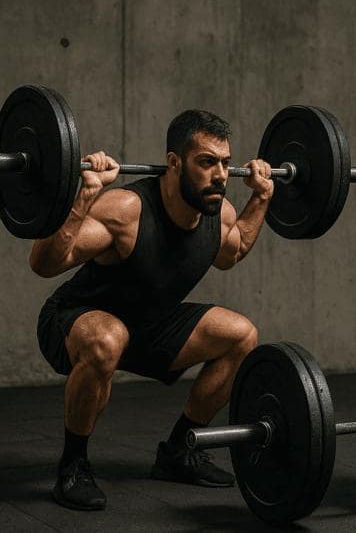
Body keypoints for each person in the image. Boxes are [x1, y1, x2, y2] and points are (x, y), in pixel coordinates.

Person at [31, 110, 271, 511]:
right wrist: (86, 193)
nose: (221, 176)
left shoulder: (219, 212)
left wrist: (261, 197)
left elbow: (235, 250)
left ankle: (178, 451)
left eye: (226, 163)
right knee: (109, 338)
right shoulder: (126, 210)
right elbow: (44, 263)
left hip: (148, 325)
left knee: (242, 336)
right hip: (77, 318)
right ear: (175, 162)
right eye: (207, 162)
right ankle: (73, 466)